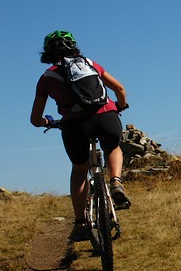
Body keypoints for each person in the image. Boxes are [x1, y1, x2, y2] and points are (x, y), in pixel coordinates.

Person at [30, 30, 131, 241]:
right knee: (113, 147)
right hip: (106, 118)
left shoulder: (47, 77)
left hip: (75, 126)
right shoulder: (89, 64)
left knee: (79, 169)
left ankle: (80, 223)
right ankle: (115, 181)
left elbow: (35, 119)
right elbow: (119, 88)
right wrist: (120, 106)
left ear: (47, 52)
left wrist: (47, 122)